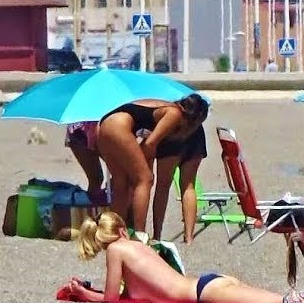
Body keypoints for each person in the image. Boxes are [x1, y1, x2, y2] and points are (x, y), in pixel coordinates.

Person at [65, 211, 304, 303]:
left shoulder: (117, 250)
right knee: (282, 301)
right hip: (208, 284)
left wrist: (85, 294)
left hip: (205, 292)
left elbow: (112, 298)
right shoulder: (136, 244)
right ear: (122, 229)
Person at [97, 93, 210, 234]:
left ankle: (113, 232)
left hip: (104, 126)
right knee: (145, 179)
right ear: (191, 118)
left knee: (121, 182)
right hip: (119, 125)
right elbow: (150, 144)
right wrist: (144, 167)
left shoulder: (166, 106)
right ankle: (140, 234)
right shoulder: (174, 114)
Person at [151, 123, 208, 243]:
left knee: (162, 187)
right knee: (189, 186)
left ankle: (157, 236)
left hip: (172, 134)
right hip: (196, 131)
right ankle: (189, 237)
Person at [64, 122, 108, 204]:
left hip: (78, 127)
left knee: (96, 179)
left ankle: (96, 207)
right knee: (121, 176)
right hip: (94, 127)